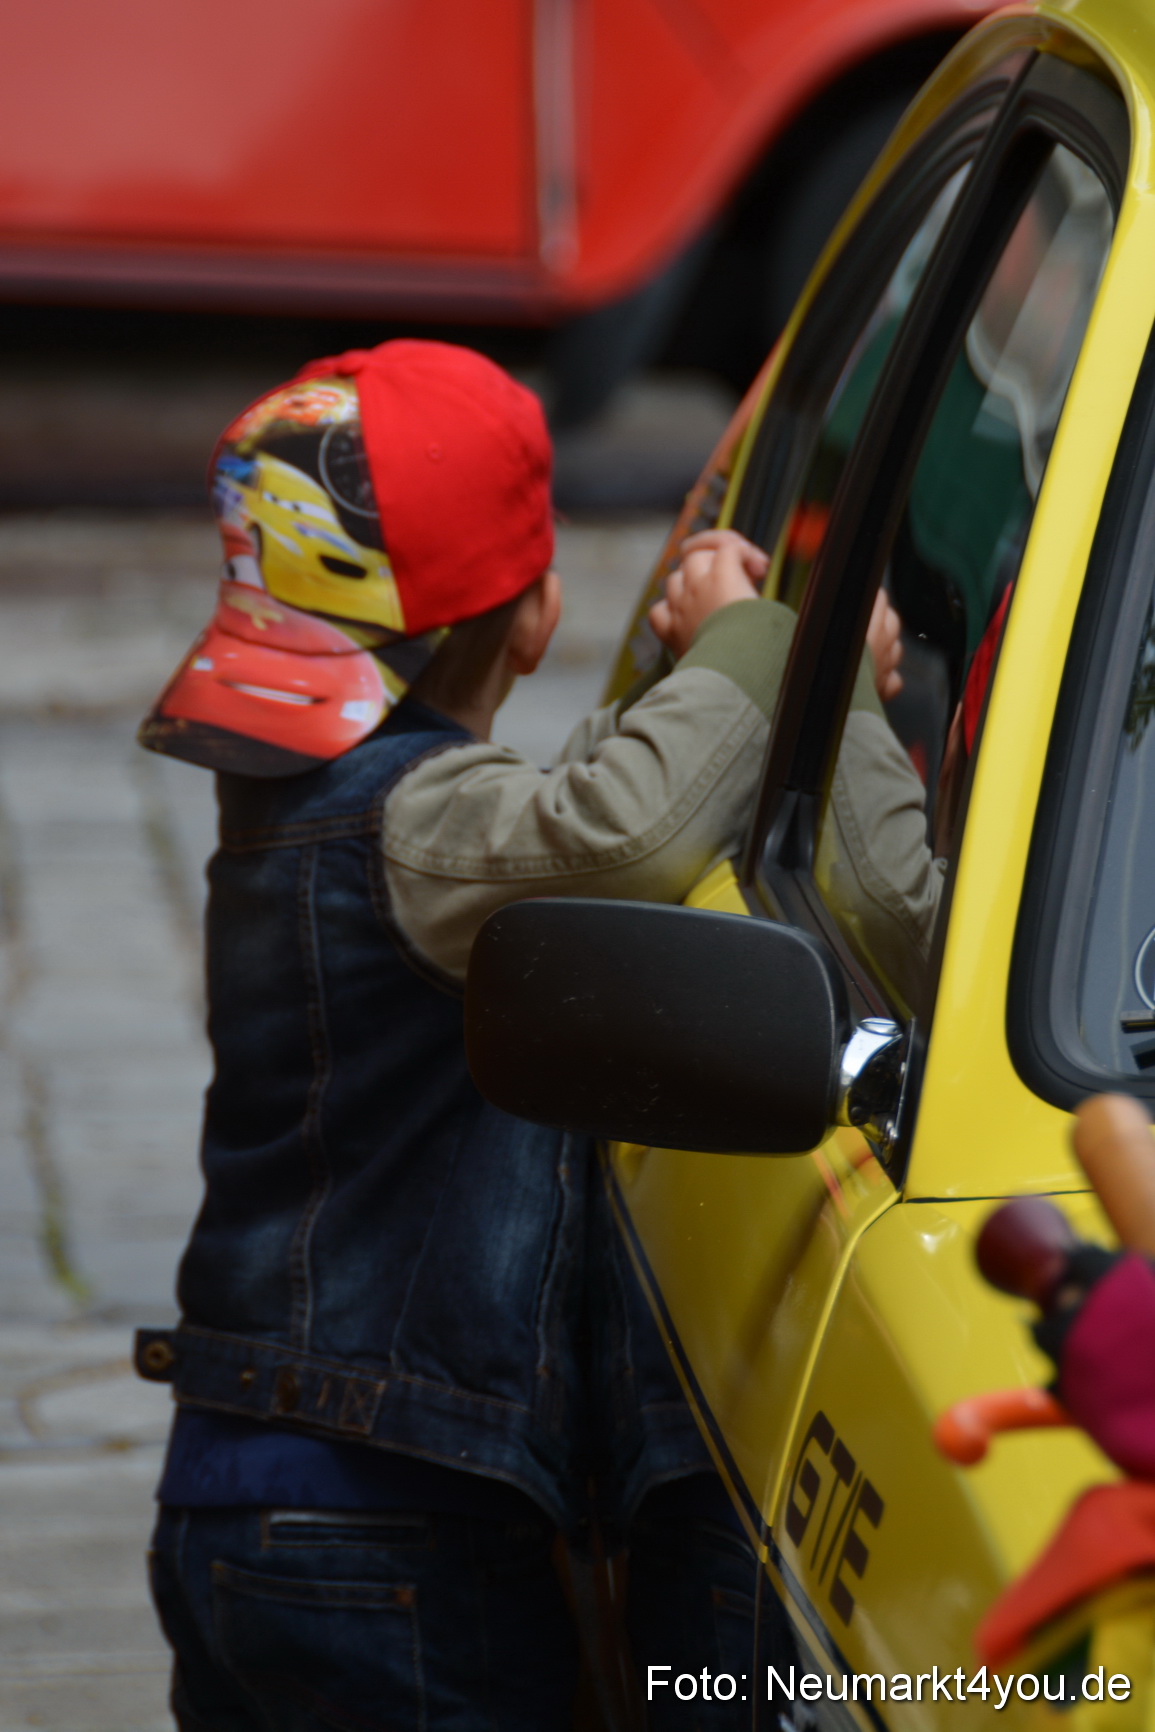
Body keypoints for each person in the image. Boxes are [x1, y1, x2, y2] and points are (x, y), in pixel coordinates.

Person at [134, 338, 900, 1730]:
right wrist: (771, 641)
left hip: (240, 1498)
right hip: (386, 1530)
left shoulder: (301, 813)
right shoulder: (418, 828)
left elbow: (568, 827)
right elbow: (618, 835)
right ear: (536, 616)